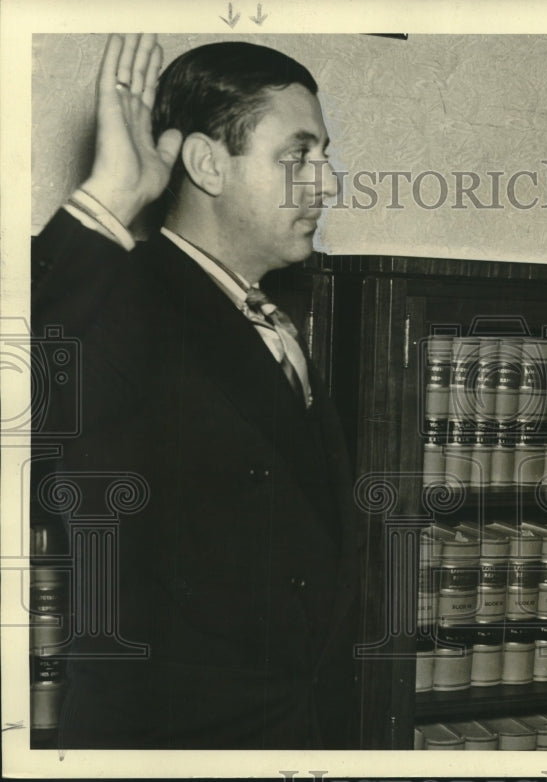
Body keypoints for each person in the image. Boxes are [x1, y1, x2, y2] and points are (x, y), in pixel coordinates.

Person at [31, 34, 362, 749]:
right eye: (297, 157)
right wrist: (110, 199)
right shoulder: (119, 303)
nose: (326, 185)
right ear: (209, 164)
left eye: (324, 156)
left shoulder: (262, 313)